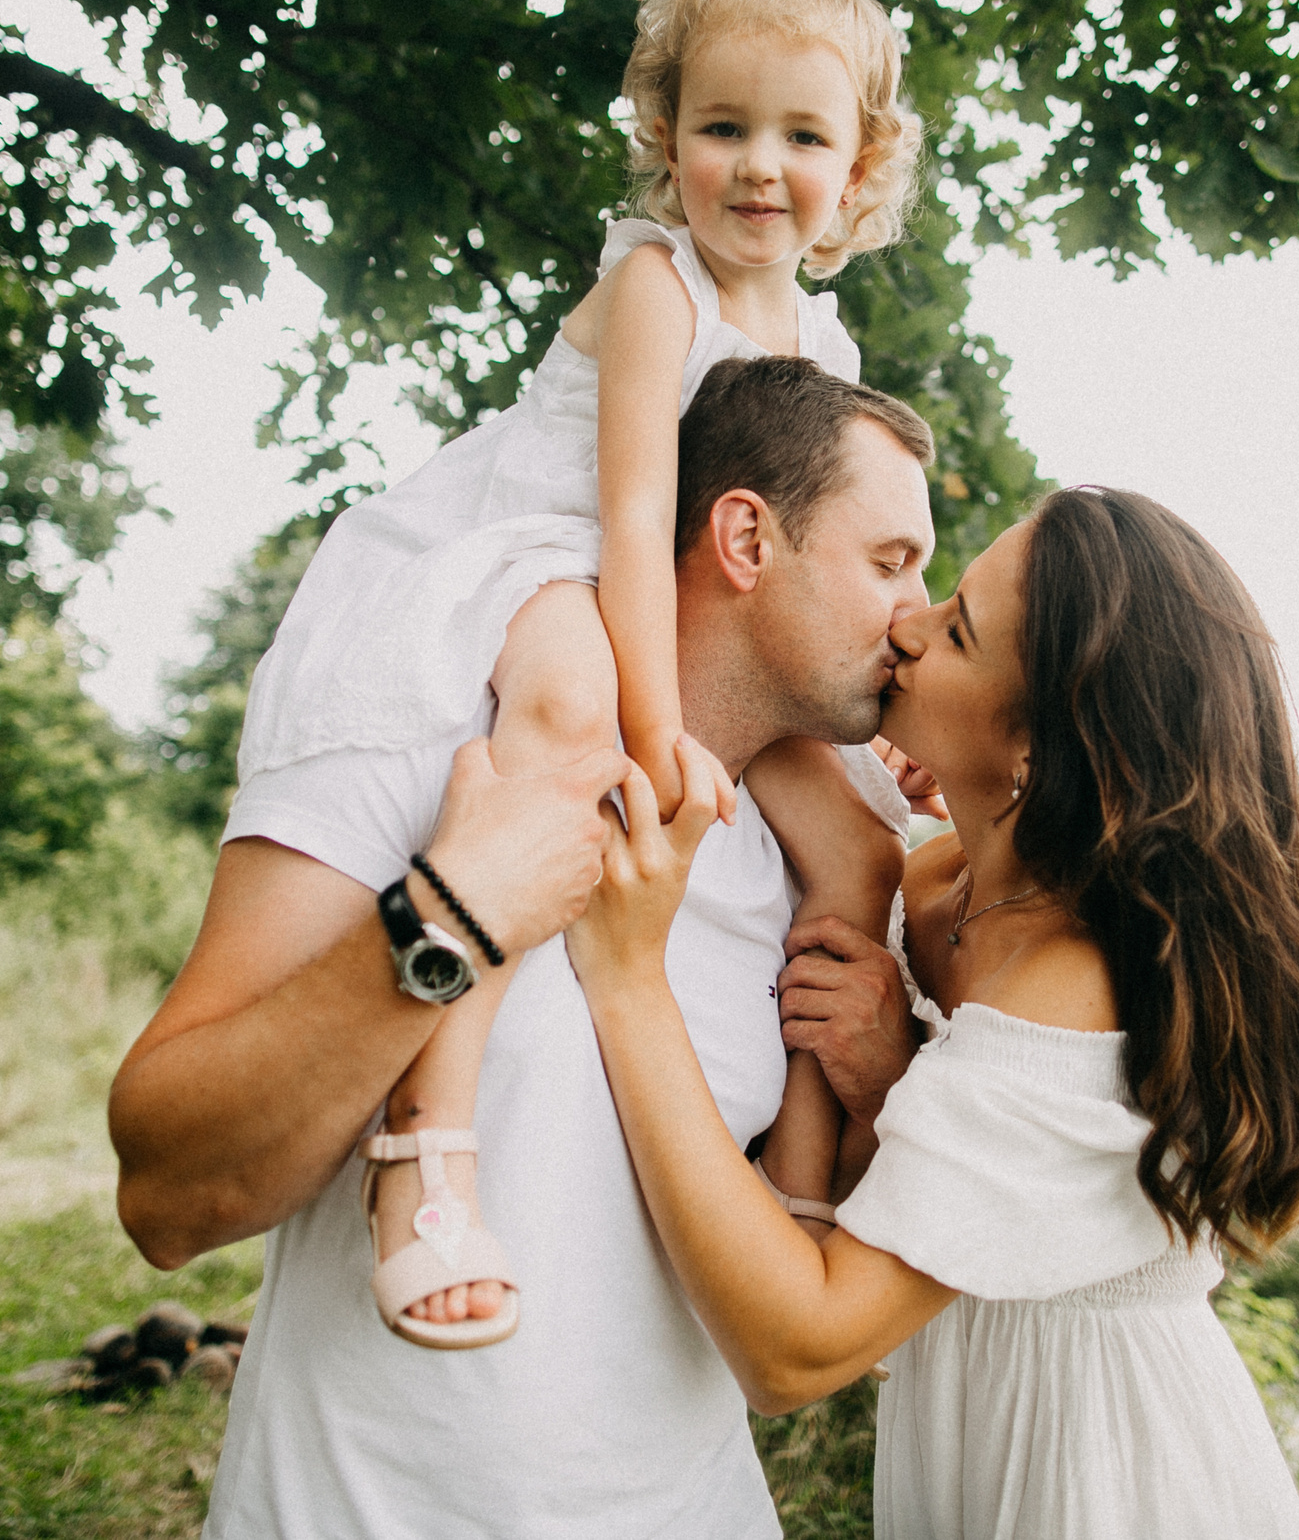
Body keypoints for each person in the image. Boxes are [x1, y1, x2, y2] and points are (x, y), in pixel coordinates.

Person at [109, 356, 938, 1538]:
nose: (914, 613)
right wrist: (446, 917)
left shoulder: (819, 880)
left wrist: (875, 1090)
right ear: (746, 539)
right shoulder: (430, 742)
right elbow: (166, 1193)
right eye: (889, 562)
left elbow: (779, 1291)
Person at [227, 0, 925, 1345]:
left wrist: (895, 691)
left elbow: (835, 533)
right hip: (547, 547)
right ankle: (428, 1146)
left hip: (674, 581)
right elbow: (623, 508)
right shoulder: (661, 283)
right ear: (666, 139)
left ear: (858, 170)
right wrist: (654, 725)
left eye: (803, 135)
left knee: (862, 847)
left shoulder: (823, 336)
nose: (758, 166)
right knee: (557, 716)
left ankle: (793, 1179)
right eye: (722, 126)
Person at [567, 486, 1299, 1539]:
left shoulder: (1071, 992)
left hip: (1104, 1478)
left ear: (1038, 748)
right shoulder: (934, 880)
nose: (904, 627)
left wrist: (628, 977)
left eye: (954, 630)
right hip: (968, 1432)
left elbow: (797, 1352)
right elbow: (748, 680)